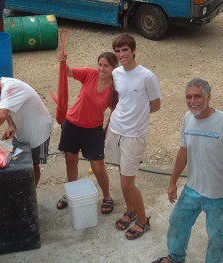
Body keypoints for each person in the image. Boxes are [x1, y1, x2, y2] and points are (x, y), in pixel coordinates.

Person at [152, 78, 223, 263]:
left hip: (218, 195)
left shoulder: (221, 122)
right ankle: (175, 258)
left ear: (209, 96)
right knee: (177, 222)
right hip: (192, 188)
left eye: (197, 96)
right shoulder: (187, 118)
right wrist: (172, 182)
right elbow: (183, 151)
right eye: (188, 97)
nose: (193, 101)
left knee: (218, 237)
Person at [105, 33, 161, 239]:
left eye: (125, 50)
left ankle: (143, 220)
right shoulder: (117, 73)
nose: (121, 54)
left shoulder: (147, 76)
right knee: (122, 175)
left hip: (134, 135)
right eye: (118, 51)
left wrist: (136, 116)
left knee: (127, 182)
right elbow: (120, 98)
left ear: (133, 50)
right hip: (116, 129)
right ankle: (130, 210)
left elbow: (155, 105)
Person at [56, 51, 119, 214]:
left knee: (98, 168)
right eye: (100, 64)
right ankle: (71, 194)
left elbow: (116, 110)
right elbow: (68, 72)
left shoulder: (116, 87)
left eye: (106, 66)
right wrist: (63, 61)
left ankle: (107, 196)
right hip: (72, 124)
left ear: (114, 68)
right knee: (70, 160)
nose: (101, 69)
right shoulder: (90, 73)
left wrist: (109, 131)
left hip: (93, 130)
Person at [0, 75, 53, 186]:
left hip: (39, 131)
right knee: (18, 162)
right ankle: (23, 188)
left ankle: (31, 193)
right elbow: (5, 110)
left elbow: (1, 115)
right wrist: (11, 125)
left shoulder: (10, 88)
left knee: (33, 165)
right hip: (23, 131)